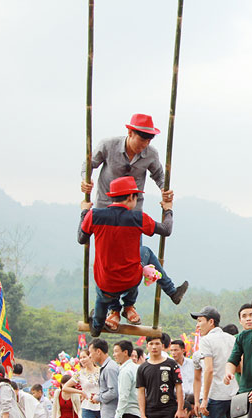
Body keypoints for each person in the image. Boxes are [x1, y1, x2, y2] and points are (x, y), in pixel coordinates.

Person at [80, 113, 187, 305]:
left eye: (149, 139)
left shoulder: (151, 154)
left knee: (135, 258)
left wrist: (165, 191)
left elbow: (160, 176)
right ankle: (112, 307)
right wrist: (86, 180)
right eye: (142, 138)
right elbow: (89, 165)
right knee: (109, 260)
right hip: (106, 212)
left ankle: (128, 305)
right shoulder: (108, 145)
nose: (144, 144)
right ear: (130, 133)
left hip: (132, 214)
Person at [78, 175, 186, 334]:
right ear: (130, 197)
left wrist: (84, 212)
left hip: (105, 282)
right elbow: (166, 230)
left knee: (95, 328)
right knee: (146, 252)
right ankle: (170, 291)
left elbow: (82, 238)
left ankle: (99, 321)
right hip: (130, 280)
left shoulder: (94, 216)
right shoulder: (138, 218)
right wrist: (168, 210)